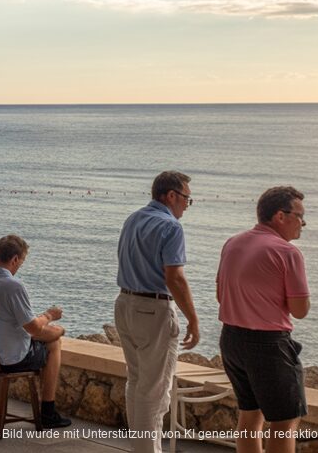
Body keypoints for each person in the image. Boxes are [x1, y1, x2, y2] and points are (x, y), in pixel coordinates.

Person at [217, 186, 311, 453]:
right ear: (281, 216)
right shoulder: (287, 253)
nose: (303, 223)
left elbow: (220, 294)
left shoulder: (232, 243)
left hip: (232, 339)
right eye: (300, 216)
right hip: (268, 345)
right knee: (284, 422)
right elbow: (300, 309)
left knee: (250, 416)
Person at [115, 170, 199, 453]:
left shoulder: (133, 219)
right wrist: (193, 319)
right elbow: (174, 277)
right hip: (153, 309)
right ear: (171, 195)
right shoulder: (171, 227)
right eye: (187, 198)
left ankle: (140, 448)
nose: (187, 205)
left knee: (137, 381)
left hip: (124, 304)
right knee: (155, 390)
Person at [0, 234, 72, 428]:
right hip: (9, 361)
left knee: (47, 334)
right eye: (21, 262)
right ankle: (48, 413)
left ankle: (48, 412)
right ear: (15, 259)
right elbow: (33, 328)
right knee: (54, 342)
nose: (20, 266)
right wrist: (49, 315)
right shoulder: (13, 286)